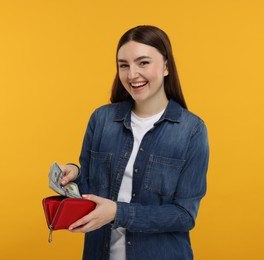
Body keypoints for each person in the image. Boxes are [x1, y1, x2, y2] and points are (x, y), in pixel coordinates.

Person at [56, 25, 209, 260]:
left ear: (166, 66)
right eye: (124, 65)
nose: (132, 75)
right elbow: (89, 191)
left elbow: (184, 215)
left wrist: (118, 212)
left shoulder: (192, 130)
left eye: (143, 63)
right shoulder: (102, 119)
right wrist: (74, 174)